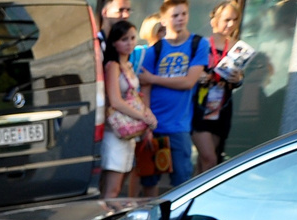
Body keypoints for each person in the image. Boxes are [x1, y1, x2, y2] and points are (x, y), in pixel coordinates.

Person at [139, 0, 210, 189]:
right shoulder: (155, 50)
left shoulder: (198, 44)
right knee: (149, 183)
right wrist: (146, 123)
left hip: (179, 127)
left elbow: (188, 82)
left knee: (181, 183)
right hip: (154, 126)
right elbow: (144, 88)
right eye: (174, 15)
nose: (180, 19)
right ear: (163, 20)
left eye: (183, 14)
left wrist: (154, 78)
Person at [102, 19, 157, 197]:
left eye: (133, 38)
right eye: (124, 39)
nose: (130, 43)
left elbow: (134, 96)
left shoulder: (129, 66)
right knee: (112, 189)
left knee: (119, 186)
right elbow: (115, 101)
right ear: (114, 42)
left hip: (128, 133)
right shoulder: (113, 66)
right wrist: (143, 117)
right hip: (116, 132)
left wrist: (145, 113)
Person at [193, 1, 244, 173]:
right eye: (226, 20)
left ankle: (193, 196)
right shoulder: (202, 44)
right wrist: (198, 76)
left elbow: (239, 77)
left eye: (234, 20)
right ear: (215, 20)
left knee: (206, 160)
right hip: (201, 105)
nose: (231, 24)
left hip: (222, 107)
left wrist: (237, 79)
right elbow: (190, 72)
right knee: (209, 159)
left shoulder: (237, 47)